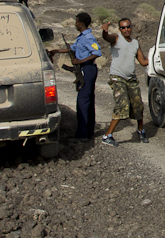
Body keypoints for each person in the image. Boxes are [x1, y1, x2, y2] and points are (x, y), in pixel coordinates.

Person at [47, 12, 102, 141]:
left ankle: (82, 134)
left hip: (87, 69)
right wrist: (56, 51)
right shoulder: (81, 37)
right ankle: (88, 131)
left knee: (83, 101)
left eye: (76, 22)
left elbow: (97, 52)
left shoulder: (88, 37)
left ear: (81, 23)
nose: (75, 24)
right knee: (87, 100)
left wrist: (80, 61)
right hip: (84, 68)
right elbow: (73, 48)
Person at [100, 18, 151, 147]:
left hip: (131, 79)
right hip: (118, 78)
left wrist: (154, 57)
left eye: (128, 27)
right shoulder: (116, 38)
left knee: (138, 105)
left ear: (131, 27)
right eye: (123, 27)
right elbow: (107, 37)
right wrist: (104, 32)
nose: (126, 29)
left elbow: (143, 62)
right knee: (122, 104)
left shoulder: (135, 43)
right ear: (119, 29)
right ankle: (107, 136)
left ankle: (141, 130)